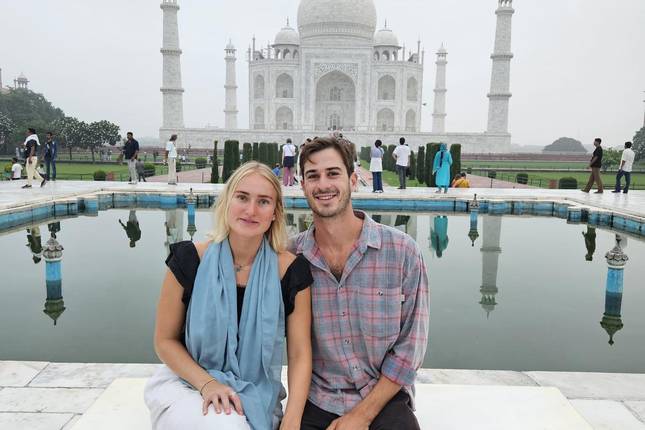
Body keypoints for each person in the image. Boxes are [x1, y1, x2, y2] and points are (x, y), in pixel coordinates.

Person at [144, 162, 313, 430]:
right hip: (188, 383)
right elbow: (164, 341)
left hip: (256, 391)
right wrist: (208, 384)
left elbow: (299, 353)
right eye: (242, 197)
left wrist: (292, 421)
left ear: (275, 212)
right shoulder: (189, 260)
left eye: (263, 201)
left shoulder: (291, 271)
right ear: (227, 202)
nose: (251, 210)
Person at [292, 137, 429, 430]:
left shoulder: (401, 252)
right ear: (302, 185)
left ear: (353, 180)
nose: (323, 184)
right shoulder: (291, 257)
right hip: (318, 398)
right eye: (313, 176)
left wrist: (361, 416)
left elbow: (410, 348)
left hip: (381, 397)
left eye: (333, 173)